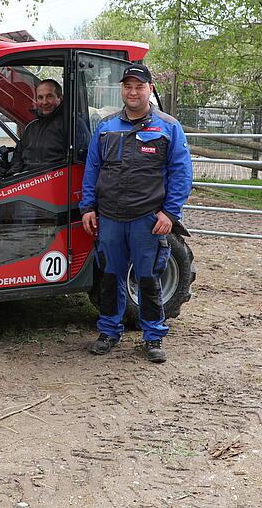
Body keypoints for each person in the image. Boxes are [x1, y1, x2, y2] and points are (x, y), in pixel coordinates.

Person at [79, 63, 193, 363]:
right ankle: (108, 332)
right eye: (128, 86)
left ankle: (153, 336)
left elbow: (181, 173)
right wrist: (88, 207)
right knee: (110, 277)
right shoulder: (106, 128)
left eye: (139, 86)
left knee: (148, 278)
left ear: (150, 89)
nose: (133, 91)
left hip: (148, 219)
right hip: (110, 219)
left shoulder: (168, 127)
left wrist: (170, 213)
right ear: (122, 90)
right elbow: (92, 169)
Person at [7, 79, 68, 176]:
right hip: (24, 181)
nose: (44, 102)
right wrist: (15, 173)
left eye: (49, 96)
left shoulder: (70, 125)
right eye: (40, 97)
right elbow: (18, 155)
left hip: (52, 182)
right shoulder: (31, 127)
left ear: (60, 98)